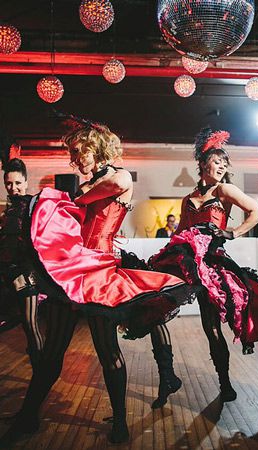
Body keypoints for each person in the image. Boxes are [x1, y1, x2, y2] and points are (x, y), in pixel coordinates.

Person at [0, 121, 197, 446]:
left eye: (79, 152)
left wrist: (58, 200)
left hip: (99, 274)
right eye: (72, 154)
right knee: (52, 354)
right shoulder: (91, 182)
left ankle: (119, 422)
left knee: (108, 352)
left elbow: (84, 201)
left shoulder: (119, 177)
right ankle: (27, 417)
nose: (74, 160)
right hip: (75, 271)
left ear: (98, 147)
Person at [146, 128, 258, 402]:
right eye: (217, 162)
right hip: (188, 262)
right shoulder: (187, 198)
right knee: (156, 307)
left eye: (225, 164)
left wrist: (232, 232)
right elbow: (181, 230)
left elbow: (257, 211)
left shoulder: (225, 189)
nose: (222, 166)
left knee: (211, 327)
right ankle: (167, 377)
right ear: (203, 164)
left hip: (212, 264)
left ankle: (224, 383)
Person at [0, 158, 44, 369]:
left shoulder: (33, 206)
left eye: (18, 183)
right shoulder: (7, 210)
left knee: (30, 326)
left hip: (26, 275)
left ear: (26, 182)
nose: (13, 188)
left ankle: (41, 372)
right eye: (9, 184)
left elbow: (40, 243)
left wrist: (30, 273)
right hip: (8, 274)